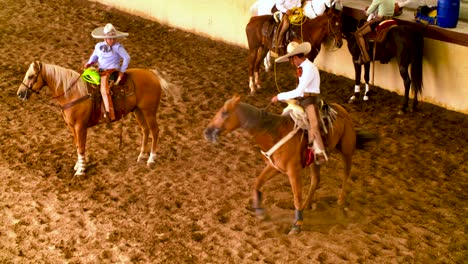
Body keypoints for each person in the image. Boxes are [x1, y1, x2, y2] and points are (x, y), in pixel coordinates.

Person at [271, 41, 328, 165]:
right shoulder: (302, 67)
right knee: (286, 112)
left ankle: (320, 152)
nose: (291, 63)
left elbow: (299, 90)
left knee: (313, 124)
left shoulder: (309, 68)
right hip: (302, 98)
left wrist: (279, 96)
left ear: (296, 57)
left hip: (310, 100)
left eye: (291, 60)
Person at [84, 23, 131, 121]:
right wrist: (89, 63)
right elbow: (94, 57)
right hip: (100, 70)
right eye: (110, 38)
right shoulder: (98, 46)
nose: (112, 40)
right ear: (105, 38)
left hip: (112, 71)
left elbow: (127, 58)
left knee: (104, 90)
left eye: (114, 38)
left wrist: (122, 70)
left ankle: (109, 113)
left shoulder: (118, 47)